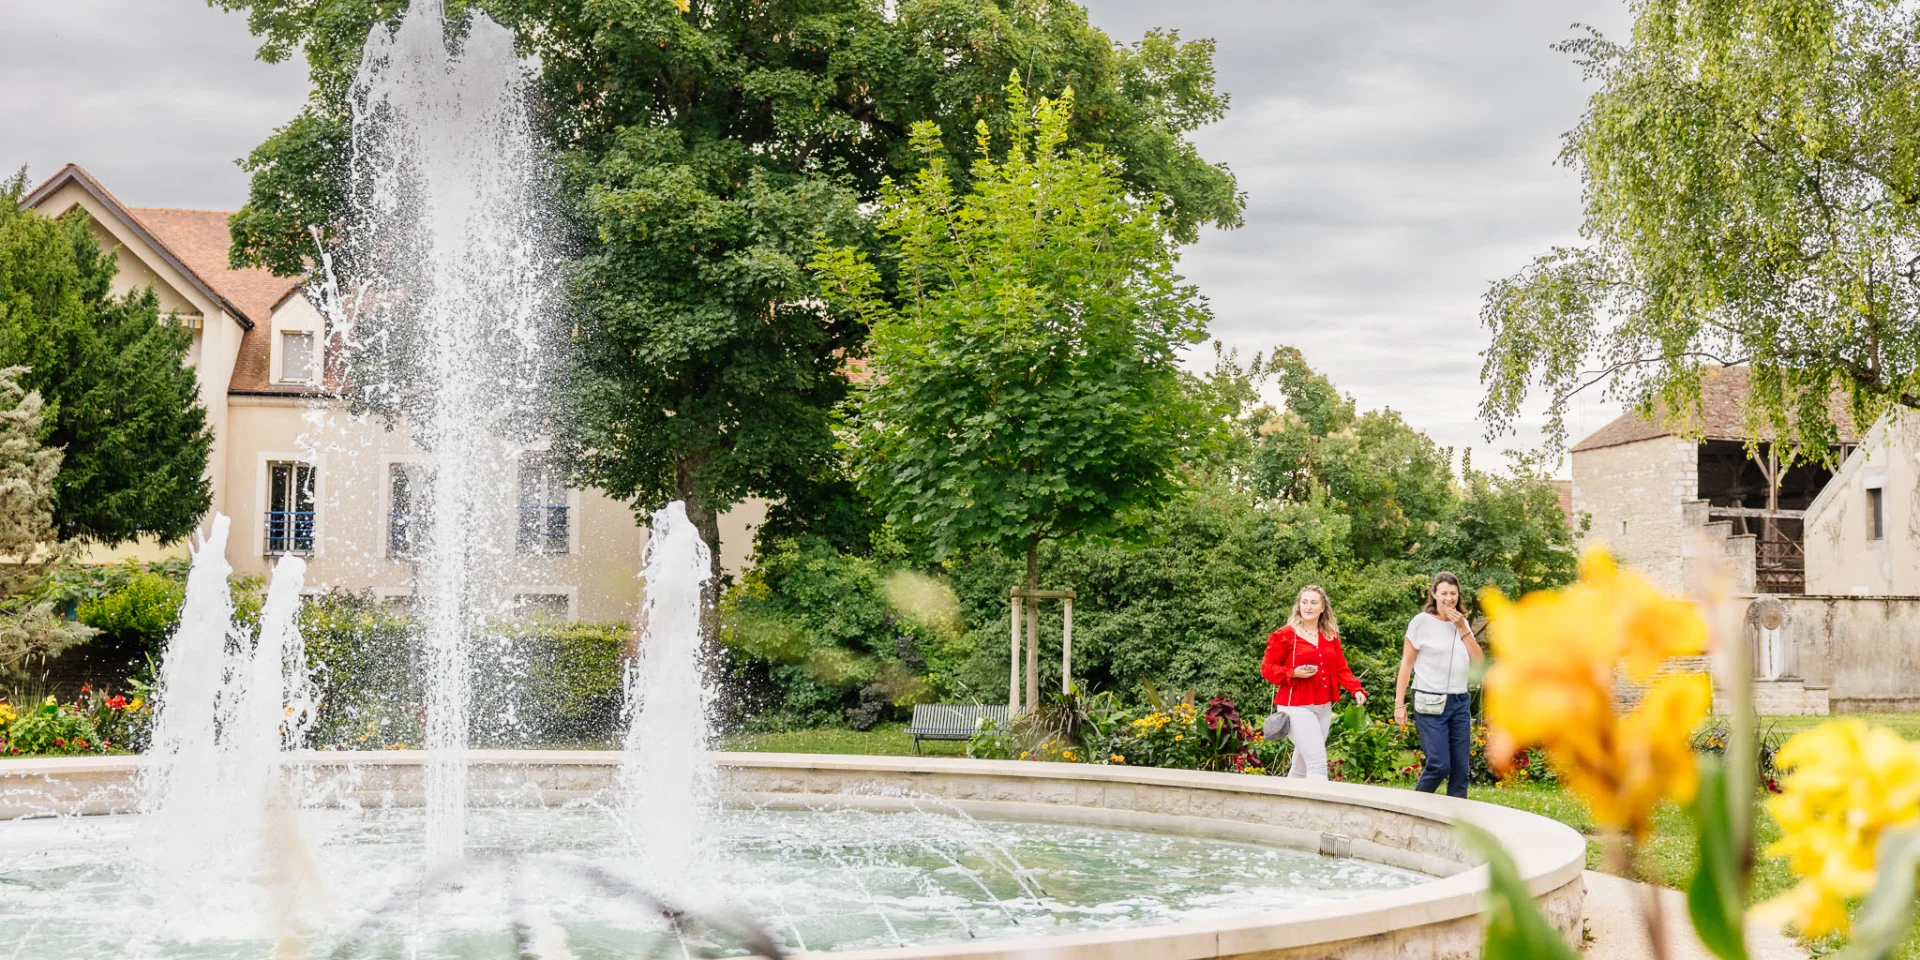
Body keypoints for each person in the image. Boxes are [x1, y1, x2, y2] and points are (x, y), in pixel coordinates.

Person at [1393, 571, 1485, 798]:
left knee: (1461, 769)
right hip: (1429, 701)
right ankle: (1414, 810)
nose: (1449, 598)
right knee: (1439, 765)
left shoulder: (1461, 623)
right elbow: (1406, 664)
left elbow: (1478, 660)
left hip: (1459, 701)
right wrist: (1399, 703)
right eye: (1444, 593)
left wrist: (1462, 628)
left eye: (1453, 593)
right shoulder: (1420, 623)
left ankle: (1455, 824)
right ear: (1434, 594)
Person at [1260, 585, 1365, 780]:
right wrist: (1293, 673)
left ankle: (1287, 807)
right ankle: (1321, 810)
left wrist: (1355, 689)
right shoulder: (1285, 635)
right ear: (1298, 606)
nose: (1308, 607)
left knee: (1300, 767)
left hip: (1323, 707)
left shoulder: (1329, 635)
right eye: (1304, 602)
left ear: (1323, 607)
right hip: (1296, 706)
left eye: (1314, 602)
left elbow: (1341, 668)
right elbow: (1266, 669)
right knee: (1317, 763)